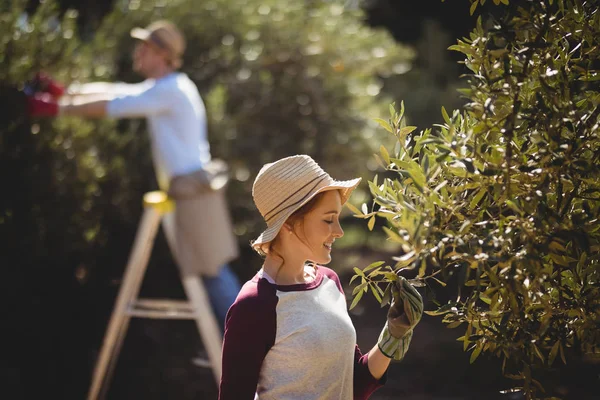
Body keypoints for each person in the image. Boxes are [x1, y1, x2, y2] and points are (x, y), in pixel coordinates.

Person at [24, 20, 241, 332]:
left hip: (193, 192)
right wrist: (65, 93)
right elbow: (115, 90)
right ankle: (244, 346)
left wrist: (54, 108)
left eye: (146, 48)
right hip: (191, 190)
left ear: (163, 55)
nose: (138, 53)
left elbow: (115, 105)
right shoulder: (167, 87)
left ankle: (252, 348)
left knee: (214, 273)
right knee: (212, 274)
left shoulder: (172, 91)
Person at [219, 154, 424, 399]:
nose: (339, 231)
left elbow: (351, 383)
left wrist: (393, 334)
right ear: (289, 222)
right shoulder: (254, 306)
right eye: (328, 220)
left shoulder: (329, 282)